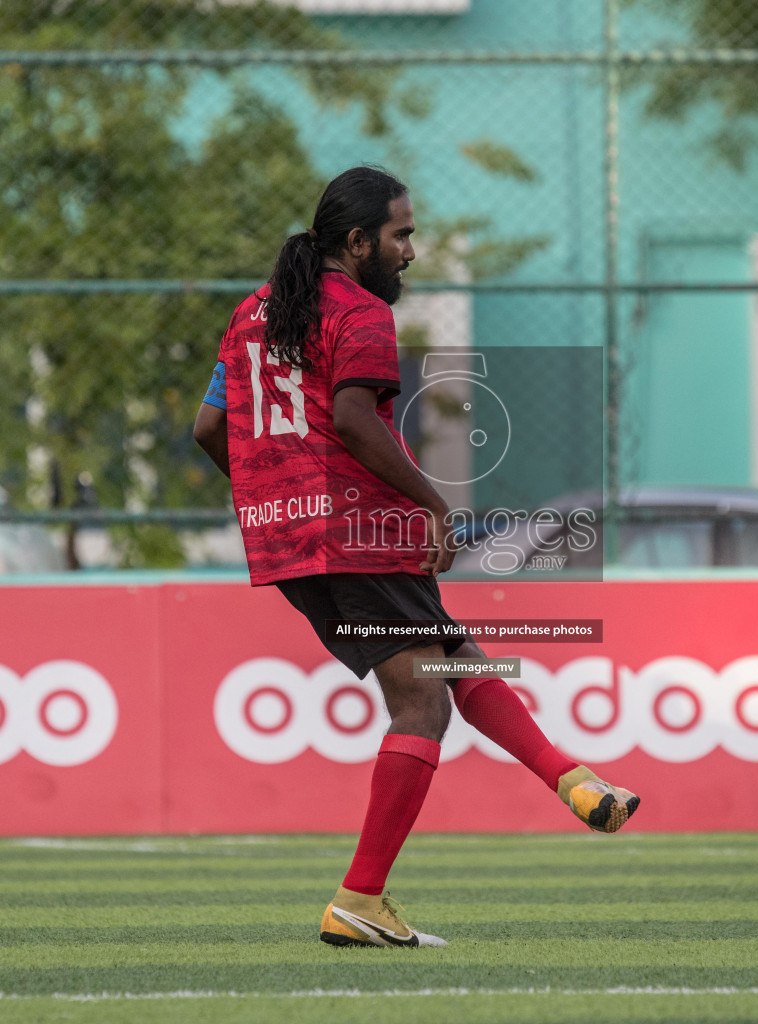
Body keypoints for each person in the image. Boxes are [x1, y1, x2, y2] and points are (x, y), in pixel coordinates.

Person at [192, 166, 639, 948]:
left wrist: (277, 489)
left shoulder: (248, 315)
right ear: (358, 242)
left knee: (455, 661)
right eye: (400, 234)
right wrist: (435, 504)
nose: (411, 250)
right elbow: (355, 418)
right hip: (358, 532)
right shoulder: (359, 313)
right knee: (422, 702)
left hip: (289, 540)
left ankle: (573, 781)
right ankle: (359, 898)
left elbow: (207, 428)